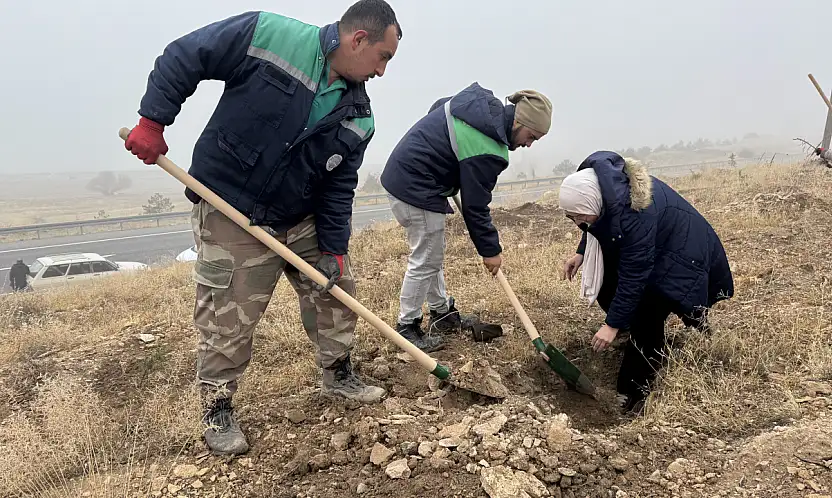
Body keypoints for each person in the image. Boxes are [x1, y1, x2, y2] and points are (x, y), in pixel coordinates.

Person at [123, 0, 402, 456]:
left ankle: (338, 373)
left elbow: (338, 189)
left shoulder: (359, 116)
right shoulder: (269, 35)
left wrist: (334, 248)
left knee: (336, 291)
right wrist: (153, 120)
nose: (382, 71)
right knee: (227, 316)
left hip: (300, 216)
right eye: (382, 57)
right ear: (358, 40)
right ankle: (216, 407)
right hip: (231, 208)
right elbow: (185, 55)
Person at [380, 83, 553, 352]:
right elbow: (476, 207)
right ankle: (407, 326)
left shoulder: (478, 108)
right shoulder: (488, 148)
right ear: (519, 122)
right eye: (531, 136)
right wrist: (490, 251)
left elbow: (439, 106)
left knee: (432, 253)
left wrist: (446, 162)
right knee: (426, 257)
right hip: (414, 185)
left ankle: (441, 314)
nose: (528, 144)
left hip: (409, 176)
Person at [558, 151, 734, 413]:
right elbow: (596, 225)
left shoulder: (636, 213)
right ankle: (634, 331)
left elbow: (634, 276)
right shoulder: (605, 194)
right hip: (657, 244)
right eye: (571, 218)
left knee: (647, 315)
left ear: (594, 203)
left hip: (681, 254)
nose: (577, 224)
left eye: (579, 216)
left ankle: (633, 391)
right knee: (612, 289)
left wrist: (612, 325)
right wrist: (582, 252)